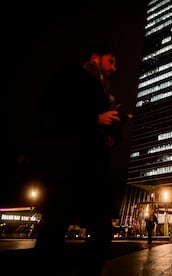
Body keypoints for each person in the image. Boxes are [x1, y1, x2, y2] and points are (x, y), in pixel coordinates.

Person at [29, 43, 130, 275]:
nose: (115, 68)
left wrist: (115, 127)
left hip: (92, 172)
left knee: (102, 232)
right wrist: (95, 118)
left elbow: (107, 131)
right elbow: (56, 111)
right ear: (96, 59)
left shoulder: (105, 92)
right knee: (53, 230)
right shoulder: (73, 76)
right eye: (111, 61)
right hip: (68, 168)